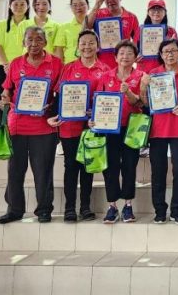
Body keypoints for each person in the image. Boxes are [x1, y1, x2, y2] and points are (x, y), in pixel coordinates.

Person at [0, 26, 62, 224]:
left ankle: (44, 210)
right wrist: (4, 100)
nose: (34, 44)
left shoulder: (56, 63)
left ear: (45, 42)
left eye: (39, 39)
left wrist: (52, 107)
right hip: (17, 124)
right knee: (15, 170)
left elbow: (61, 93)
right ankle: (14, 210)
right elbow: (7, 90)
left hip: (44, 126)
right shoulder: (16, 63)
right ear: (24, 42)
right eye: (30, 40)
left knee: (43, 171)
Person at [47, 30, 108, 222]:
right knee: (71, 165)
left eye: (91, 43)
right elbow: (59, 95)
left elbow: (108, 99)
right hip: (69, 126)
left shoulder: (105, 69)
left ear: (98, 46)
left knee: (87, 165)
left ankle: (85, 207)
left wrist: (95, 111)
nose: (87, 47)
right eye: (83, 43)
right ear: (77, 46)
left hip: (92, 125)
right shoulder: (69, 68)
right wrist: (54, 115)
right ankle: (69, 208)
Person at [92, 40, 146, 223]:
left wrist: (129, 92)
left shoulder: (141, 76)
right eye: (121, 53)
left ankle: (128, 205)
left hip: (133, 128)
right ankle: (112, 206)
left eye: (130, 53)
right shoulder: (105, 76)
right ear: (115, 57)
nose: (125, 57)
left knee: (130, 165)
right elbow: (98, 102)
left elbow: (142, 103)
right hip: (109, 129)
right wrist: (93, 119)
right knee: (110, 167)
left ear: (135, 58)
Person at [140, 38, 178, 224]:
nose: (170, 54)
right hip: (158, 130)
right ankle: (160, 211)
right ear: (161, 55)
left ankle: (177, 211)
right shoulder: (153, 74)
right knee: (158, 171)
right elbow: (145, 102)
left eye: (173, 51)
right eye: (166, 52)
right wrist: (143, 85)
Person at [0, 0, 30, 110]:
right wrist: (6, 65)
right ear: (9, 6)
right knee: (4, 101)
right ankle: (4, 122)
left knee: (23, 100)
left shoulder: (31, 24)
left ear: (28, 7)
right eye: (15, 4)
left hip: (25, 67)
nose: (19, 7)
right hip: (2, 67)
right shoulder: (1, 24)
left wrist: (19, 65)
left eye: (22, 4)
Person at [87, 0, 140, 69]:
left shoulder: (132, 17)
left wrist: (137, 54)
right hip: (101, 63)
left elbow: (137, 40)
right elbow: (87, 27)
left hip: (123, 63)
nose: (110, 1)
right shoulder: (98, 13)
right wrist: (96, 6)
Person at [138, 0, 178, 74]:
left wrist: (172, 46)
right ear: (148, 12)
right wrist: (135, 57)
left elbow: (176, 53)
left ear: (165, 13)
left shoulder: (172, 31)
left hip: (165, 71)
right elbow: (134, 49)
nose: (156, 12)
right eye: (153, 9)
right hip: (144, 70)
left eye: (160, 9)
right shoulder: (140, 30)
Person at [54, 0, 90, 64]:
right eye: (75, 5)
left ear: (88, 6)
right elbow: (59, 52)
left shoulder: (95, 25)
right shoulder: (64, 27)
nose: (78, 7)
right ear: (71, 8)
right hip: (70, 66)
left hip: (91, 66)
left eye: (82, 4)